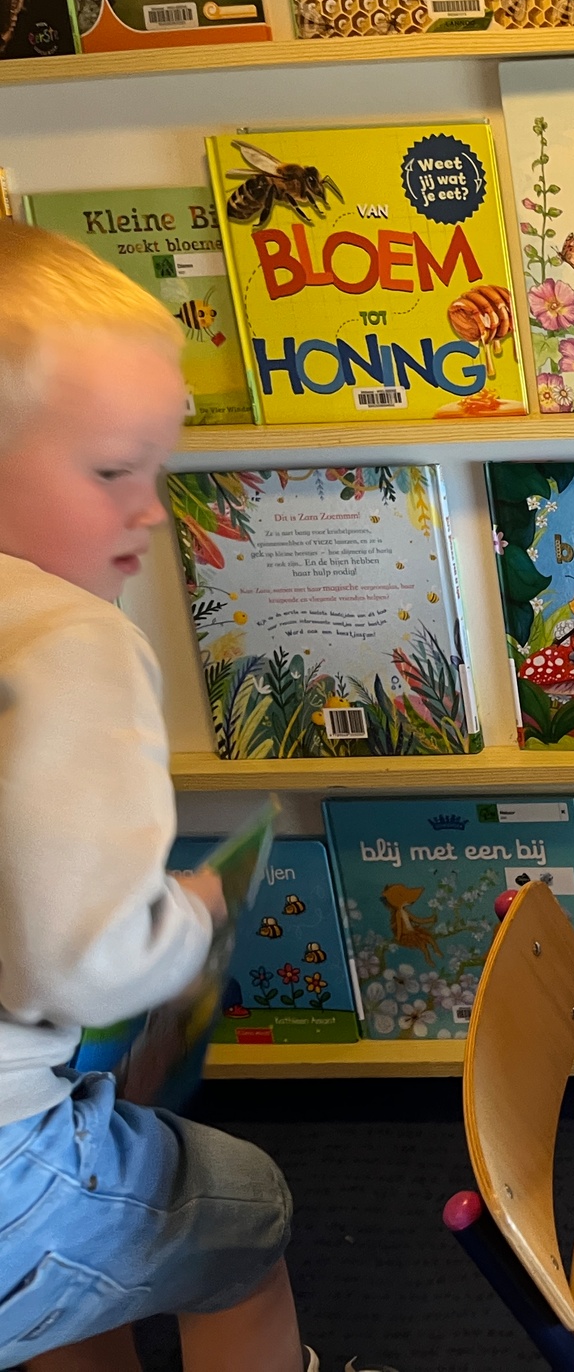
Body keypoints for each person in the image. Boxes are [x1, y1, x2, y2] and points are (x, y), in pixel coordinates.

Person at [0, 221, 325, 1372]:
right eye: (109, 473)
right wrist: (187, 916)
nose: (150, 508)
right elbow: (90, 961)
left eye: (157, 469)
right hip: (7, 1179)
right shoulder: (64, 639)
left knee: (70, 1284)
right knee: (241, 1210)